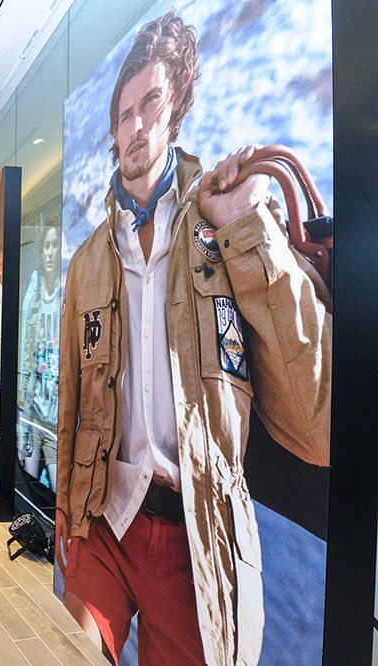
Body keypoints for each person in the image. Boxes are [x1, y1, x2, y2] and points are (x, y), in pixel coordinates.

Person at [55, 10, 331, 666]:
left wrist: (245, 226)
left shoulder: (224, 223)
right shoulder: (88, 261)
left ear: (176, 104)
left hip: (197, 535)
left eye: (150, 103)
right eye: (123, 114)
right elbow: (73, 395)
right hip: (106, 519)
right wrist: (67, 506)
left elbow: (318, 424)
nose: (135, 125)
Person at [17, 226, 61, 489]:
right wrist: (22, 427)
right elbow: (26, 361)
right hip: (34, 415)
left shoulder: (66, 296)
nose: (50, 252)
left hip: (57, 420)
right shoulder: (33, 300)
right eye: (46, 245)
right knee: (29, 488)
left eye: (55, 245)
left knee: (56, 492)